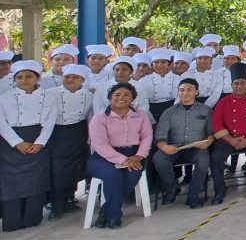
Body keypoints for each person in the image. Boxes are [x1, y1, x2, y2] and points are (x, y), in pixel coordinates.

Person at [0, 61, 56, 231]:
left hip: (37, 140)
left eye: (29, 76)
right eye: (19, 77)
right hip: (10, 142)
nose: (23, 80)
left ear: (38, 78)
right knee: (10, 182)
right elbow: (1, 122)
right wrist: (17, 142)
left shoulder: (48, 96)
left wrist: (40, 142)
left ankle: (32, 218)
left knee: (36, 180)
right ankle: (12, 221)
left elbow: (50, 121)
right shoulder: (4, 97)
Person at [86, 83, 151, 229]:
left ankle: (105, 212)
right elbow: (100, 145)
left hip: (134, 155)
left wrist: (139, 155)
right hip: (103, 157)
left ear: (132, 98)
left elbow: (147, 137)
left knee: (133, 174)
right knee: (114, 175)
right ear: (109, 98)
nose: (122, 97)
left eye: (127, 95)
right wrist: (123, 160)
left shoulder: (140, 115)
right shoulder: (100, 118)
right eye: (117, 95)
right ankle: (115, 215)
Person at [210, 63, 246, 202]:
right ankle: (219, 190)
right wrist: (230, 140)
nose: (239, 86)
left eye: (242, 83)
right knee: (216, 156)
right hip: (228, 139)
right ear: (231, 85)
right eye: (236, 83)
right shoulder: (223, 102)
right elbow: (216, 124)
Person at [152, 78, 215, 208]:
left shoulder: (206, 110)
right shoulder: (169, 112)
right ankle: (172, 188)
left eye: (189, 90)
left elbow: (211, 132)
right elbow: (160, 135)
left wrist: (208, 142)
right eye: (181, 90)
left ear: (196, 92)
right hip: (174, 148)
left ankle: (193, 195)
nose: (184, 93)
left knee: (203, 161)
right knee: (158, 158)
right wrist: (164, 146)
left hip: (197, 148)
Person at [44, 64, 92, 218]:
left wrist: (90, 137)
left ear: (82, 80)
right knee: (58, 169)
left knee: (75, 167)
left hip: (79, 131)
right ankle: (56, 203)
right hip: (58, 132)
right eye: (67, 77)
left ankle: (69, 199)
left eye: (75, 77)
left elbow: (91, 115)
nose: (71, 79)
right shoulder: (51, 93)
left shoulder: (88, 94)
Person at [136, 48, 179, 124]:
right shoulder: (143, 81)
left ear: (169, 64)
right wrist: (151, 120)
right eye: (156, 62)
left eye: (163, 62)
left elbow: (180, 98)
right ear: (152, 64)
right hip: (151, 111)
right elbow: (142, 101)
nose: (159, 65)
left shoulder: (178, 79)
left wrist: (174, 114)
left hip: (174, 110)